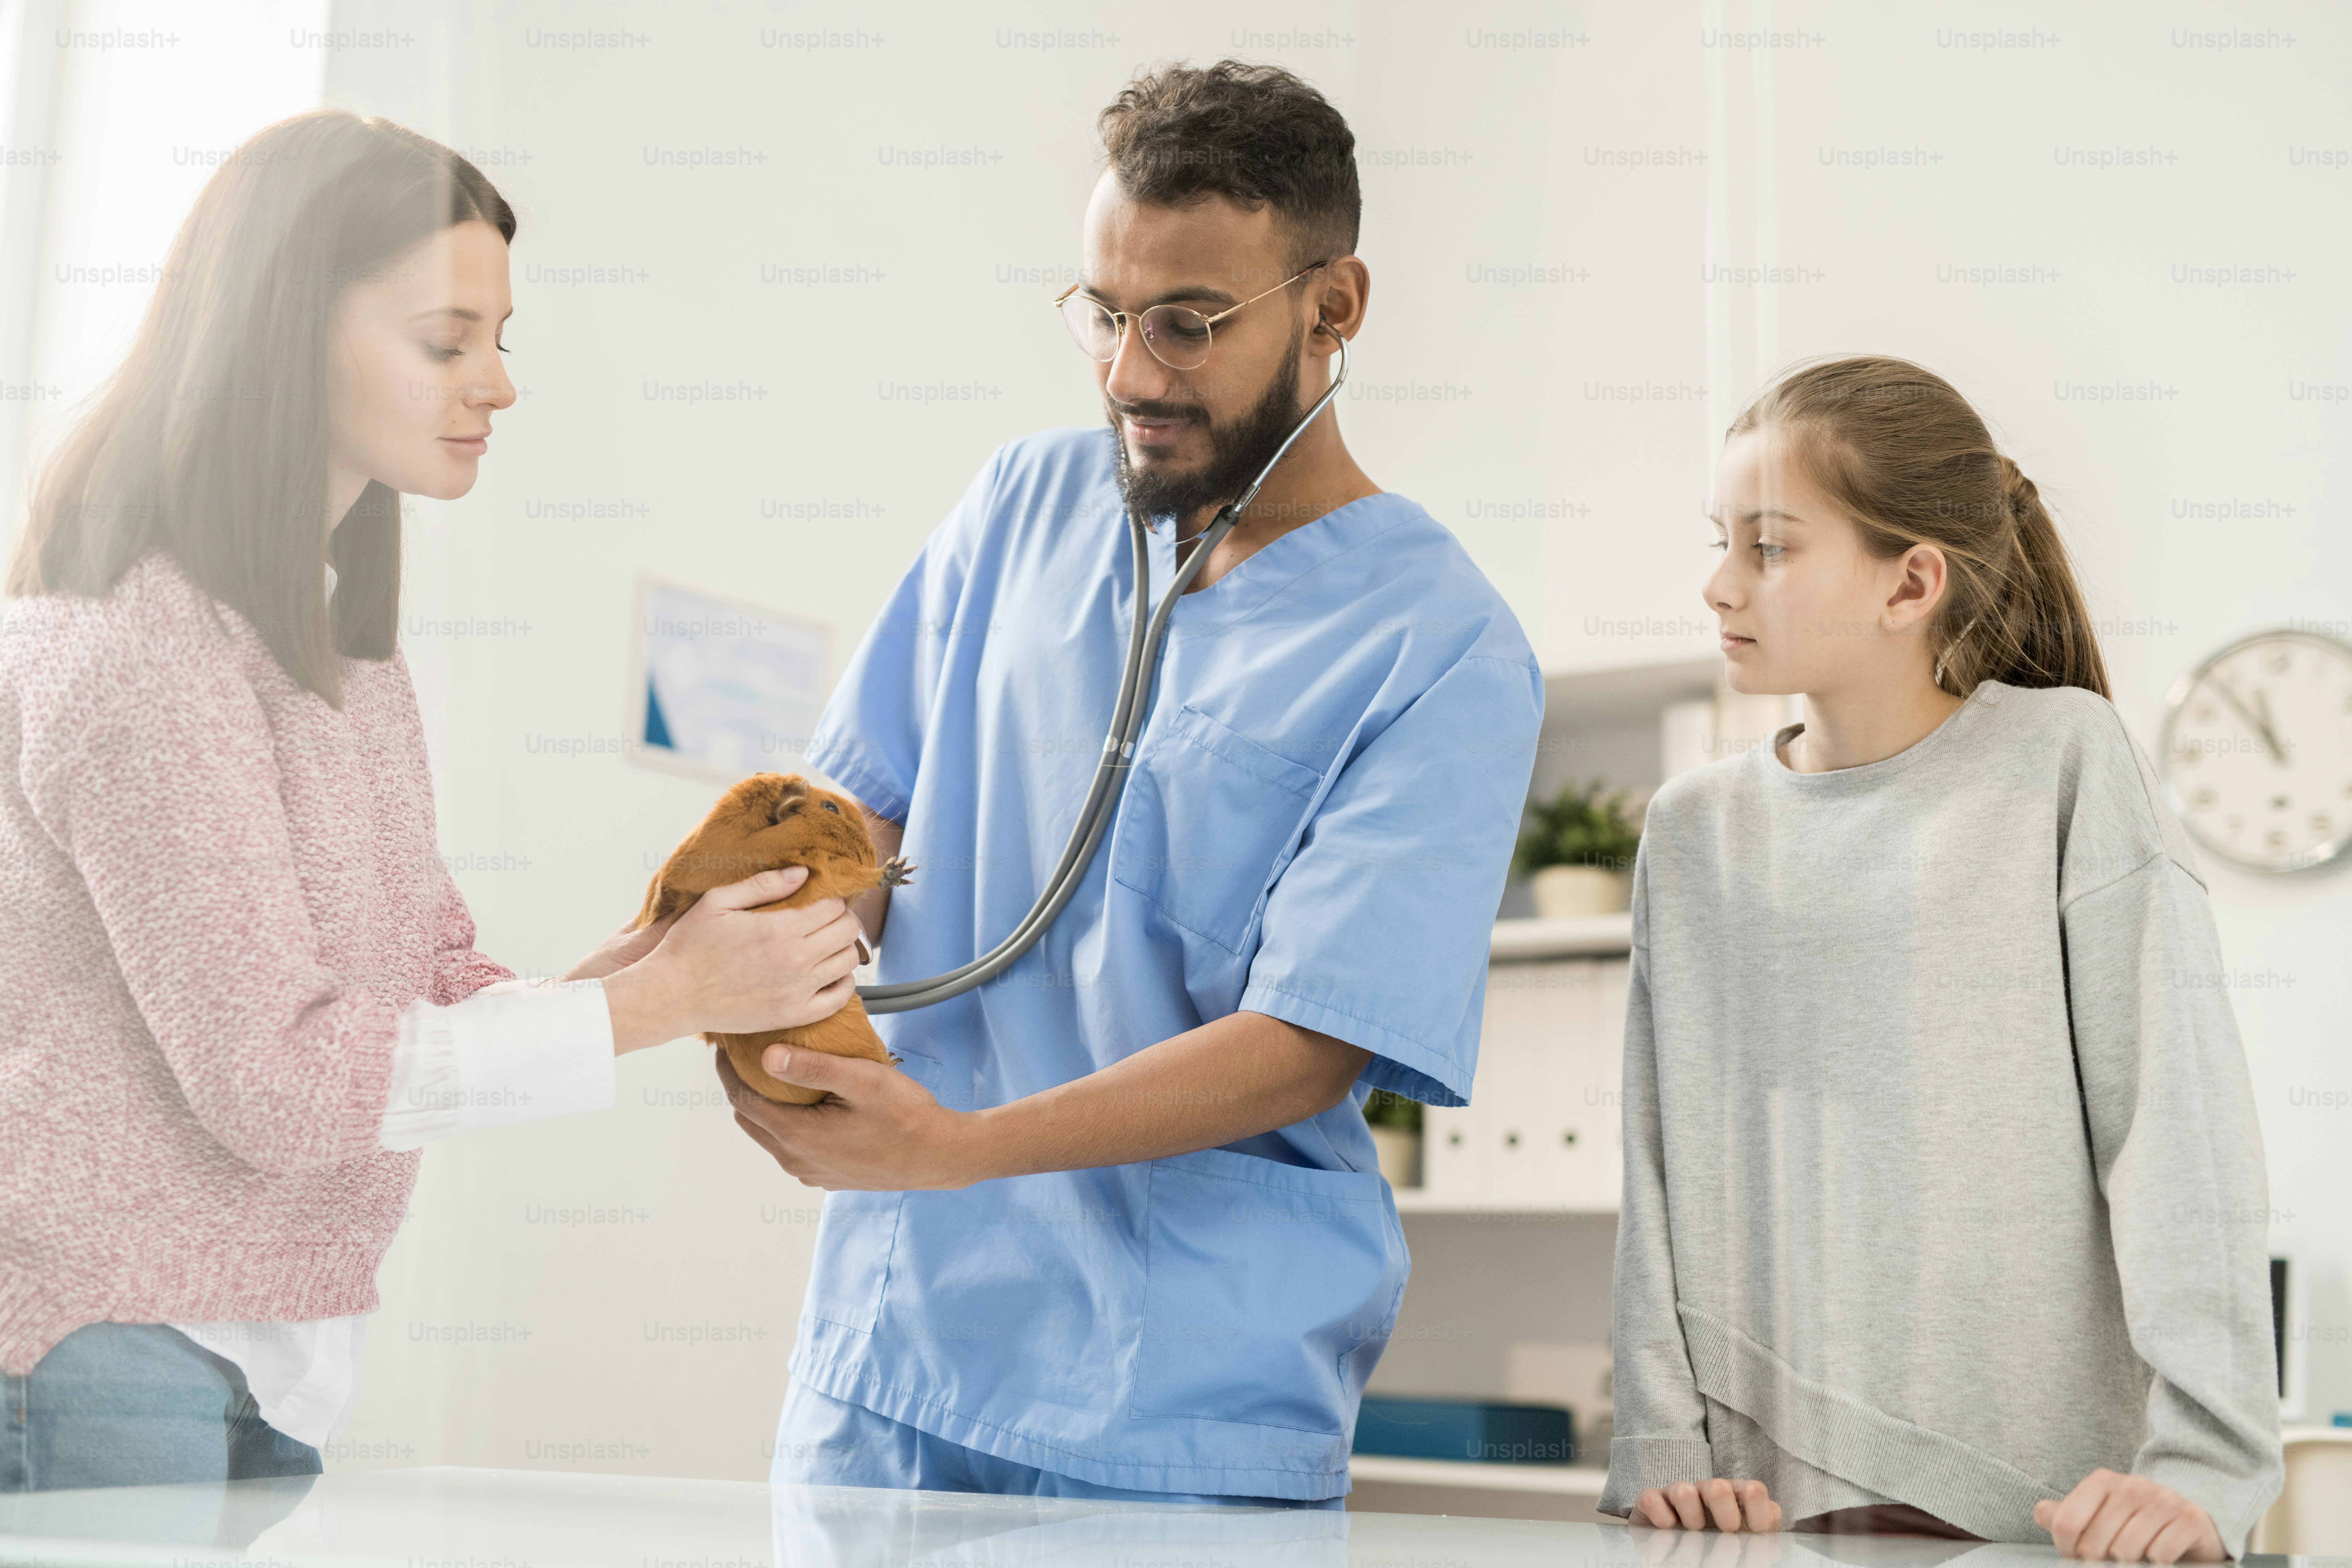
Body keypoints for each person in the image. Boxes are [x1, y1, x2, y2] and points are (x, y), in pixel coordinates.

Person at [717, 61, 1545, 1507]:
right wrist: (766, 961)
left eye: (1187, 324)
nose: (1128, 374)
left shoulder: (1442, 644)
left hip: (1185, 1397)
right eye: (1104, 313)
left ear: (1334, 307)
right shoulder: (1022, 503)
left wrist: (962, 1149)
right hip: (897, 1348)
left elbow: (1313, 1036)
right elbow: (861, 817)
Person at [0, 110, 863, 1490]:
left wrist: (649, 962)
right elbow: (280, 1086)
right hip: (100, 1346)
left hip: (253, 1362)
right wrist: (659, 1001)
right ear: (286, 331)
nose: (499, 385)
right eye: (447, 342)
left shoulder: (339, 656)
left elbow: (426, 978)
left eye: (499, 340)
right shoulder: (140, 652)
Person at [1598, 357, 2283, 1560]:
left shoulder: (2064, 762)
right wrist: (1662, 1444)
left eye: (1769, 547)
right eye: (1721, 541)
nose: (1718, 584)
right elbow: (1655, 1158)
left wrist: (2207, 1468)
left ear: (1911, 581)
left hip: (2048, 1507)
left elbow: (2175, 1129)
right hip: (1757, 1503)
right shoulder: (1695, 828)